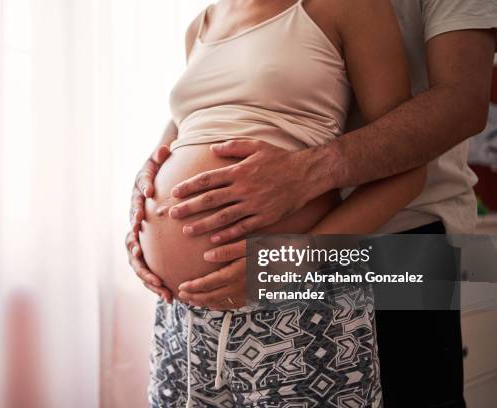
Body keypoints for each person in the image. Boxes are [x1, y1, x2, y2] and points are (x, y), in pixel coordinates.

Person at [128, 1, 497, 407]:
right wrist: (153, 181)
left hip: (402, 235)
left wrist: (303, 186)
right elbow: (213, 107)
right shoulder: (210, 19)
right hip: (203, 297)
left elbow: (462, 103)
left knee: (416, 391)